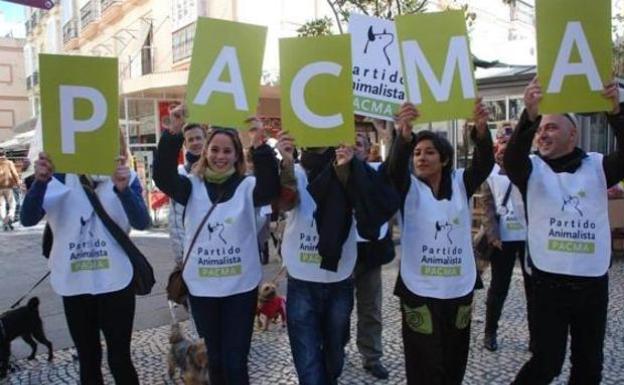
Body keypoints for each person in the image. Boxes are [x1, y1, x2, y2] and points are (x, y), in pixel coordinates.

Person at [507, 79, 624, 385]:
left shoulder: (598, 167)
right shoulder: (531, 169)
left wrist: (615, 111)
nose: (543, 134)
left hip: (591, 282)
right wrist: (529, 117)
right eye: (541, 129)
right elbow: (511, 159)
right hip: (548, 282)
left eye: (551, 128)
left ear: (573, 134)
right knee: (546, 362)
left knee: (589, 365)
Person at [153, 119, 280, 385]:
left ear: (236, 155)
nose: (220, 156)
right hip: (203, 289)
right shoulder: (190, 186)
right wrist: (173, 134)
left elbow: (270, 189)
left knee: (236, 360)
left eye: (227, 151)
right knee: (212, 359)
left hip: (240, 289)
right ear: (205, 152)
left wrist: (260, 144)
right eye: (215, 150)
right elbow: (162, 177)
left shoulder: (247, 187)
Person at [20, 143, 151, 385]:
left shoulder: (123, 174)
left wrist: (124, 190)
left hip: (115, 282)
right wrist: (39, 182)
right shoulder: (56, 177)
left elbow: (142, 222)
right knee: (88, 359)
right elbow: (27, 219)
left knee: (120, 359)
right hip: (75, 283)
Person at [277, 131, 398, 385]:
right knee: (308, 360)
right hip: (302, 278)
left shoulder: (349, 169)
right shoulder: (295, 170)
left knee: (334, 353)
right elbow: (285, 204)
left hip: (339, 276)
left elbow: (373, 208)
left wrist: (349, 169)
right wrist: (286, 161)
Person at [386, 100, 493, 385]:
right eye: (417, 153)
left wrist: (481, 133)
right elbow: (394, 170)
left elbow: (484, 164)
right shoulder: (406, 186)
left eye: (429, 152)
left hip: (458, 290)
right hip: (418, 290)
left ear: (444, 159)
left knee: (453, 359)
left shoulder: (460, 183)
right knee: (424, 363)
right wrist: (403, 136)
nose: (421, 157)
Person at [480, 122, 533, 352]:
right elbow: (487, 207)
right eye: (502, 143)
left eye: (510, 144)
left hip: (530, 237)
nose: (505, 148)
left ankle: (537, 334)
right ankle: (490, 331)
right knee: (498, 288)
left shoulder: (530, 167)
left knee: (535, 290)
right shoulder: (490, 173)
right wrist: (492, 234)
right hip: (504, 238)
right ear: (496, 145)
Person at [352, 130, 395, 379]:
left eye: (358, 144)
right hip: (343, 253)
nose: (354, 148)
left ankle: (371, 357)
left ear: (368, 150)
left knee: (370, 309)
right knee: (339, 309)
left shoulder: (378, 174)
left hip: (370, 253)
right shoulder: (336, 175)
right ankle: (337, 349)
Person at [167, 104, 207, 266]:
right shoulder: (180, 174)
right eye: (190, 139)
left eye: (199, 138)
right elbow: (175, 219)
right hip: (190, 253)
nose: (195, 142)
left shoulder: (219, 172)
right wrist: (181, 255)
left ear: (206, 140)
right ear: (185, 144)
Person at [0, 149, 20, 231]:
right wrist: (18, 181)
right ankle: (10, 217)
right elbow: (14, 173)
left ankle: (4, 221)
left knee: (1, 206)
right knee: (12, 204)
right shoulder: (9, 163)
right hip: (8, 186)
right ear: (5, 154)